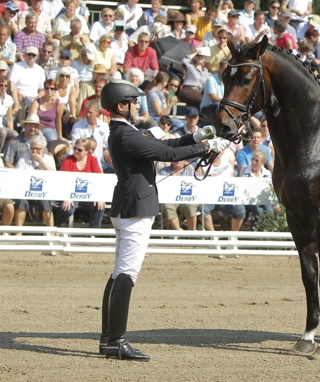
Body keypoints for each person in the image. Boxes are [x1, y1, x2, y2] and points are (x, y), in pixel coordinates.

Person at [97, 80, 229, 361]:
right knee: (126, 274)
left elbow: (166, 144)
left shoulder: (125, 131)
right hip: (136, 209)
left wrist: (194, 139)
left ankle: (108, 340)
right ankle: (117, 341)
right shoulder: (125, 134)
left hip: (128, 205)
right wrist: (206, 146)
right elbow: (167, 154)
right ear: (122, 106)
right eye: (134, 102)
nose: (138, 106)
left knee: (117, 273)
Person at [55, 137, 105, 229]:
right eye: (74, 148)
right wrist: (67, 196)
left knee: (99, 206)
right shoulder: (68, 160)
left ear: (86, 151)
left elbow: (99, 179)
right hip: (71, 193)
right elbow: (62, 180)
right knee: (67, 208)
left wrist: (99, 196)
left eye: (79, 150)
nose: (76, 151)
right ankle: (56, 227)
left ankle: (92, 234)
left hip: (88, 193)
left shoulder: (92, 160)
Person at [14, 133, 55, 228]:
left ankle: (51, 231)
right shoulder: (23, 159)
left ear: (43, 149)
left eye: (38, 149)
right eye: (32, 148)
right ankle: (19, 231)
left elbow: (54, 177)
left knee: (46, 202)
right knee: (21, 201)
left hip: (44, 191)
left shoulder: (49, 159)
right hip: (25, 191)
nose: (35, 151)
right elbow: (17, 177)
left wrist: (41, 162)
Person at [158, 160, 199, 231]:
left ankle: (192, 231)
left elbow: (199, 188)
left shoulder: (192, 172)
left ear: (185, 160)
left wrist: (198, 200)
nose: (178, 161)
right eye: (175, 159)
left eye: (181, 158)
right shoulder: (162, 172)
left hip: (186, 199)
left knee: (190, 206)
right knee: (167, 206)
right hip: (169, 199)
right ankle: (178, 231)